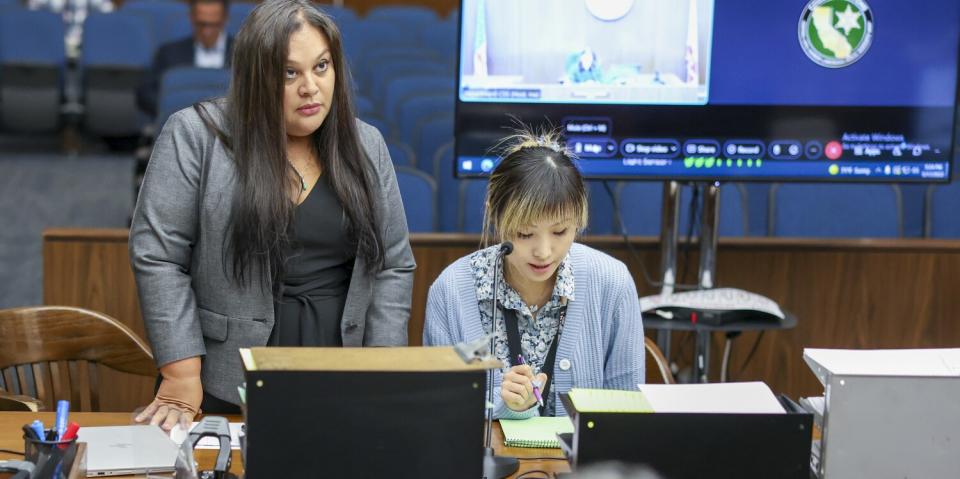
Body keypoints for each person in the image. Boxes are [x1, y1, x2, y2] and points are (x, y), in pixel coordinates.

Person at [129, 0, 415, 430]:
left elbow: (393, 263)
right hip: (223, 377)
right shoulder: (195, 135)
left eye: (321, 67)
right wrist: (180, 372)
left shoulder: (366, 144)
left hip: (340, 370)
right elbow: (158, 256)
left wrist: (383, 367)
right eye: (288, 73)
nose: (310, 88)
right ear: (255, 76)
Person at [423, 129, 644, 419]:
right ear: (494, 215)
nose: (544, 251)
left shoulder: (611, 282)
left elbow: (626, 407)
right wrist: (506, 405)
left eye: (561, 231)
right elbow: (441, 410)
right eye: (525, 233)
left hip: (584, 464)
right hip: (486, 463)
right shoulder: (452, 290)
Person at [136, 0, 235, 117]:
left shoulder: (241, 53)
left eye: (214, 24)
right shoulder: (169, 53)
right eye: (201, 24)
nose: (207, 31)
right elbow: (145, 93)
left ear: (225, 19)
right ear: (191, 18)